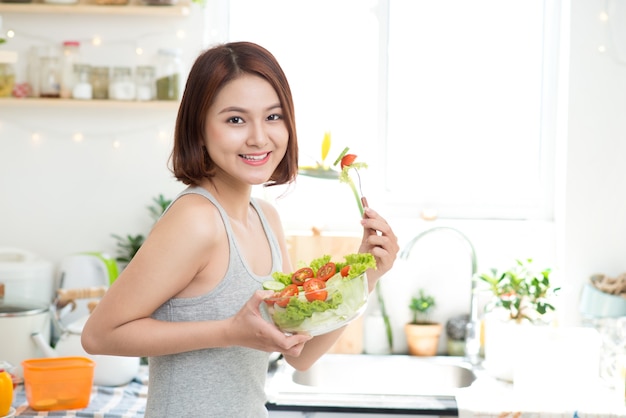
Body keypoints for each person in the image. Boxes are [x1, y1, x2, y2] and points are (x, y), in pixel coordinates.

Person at [81, 41, 399, 418]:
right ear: (199, 129)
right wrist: (231, 331)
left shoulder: (266, 219)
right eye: (235, 119)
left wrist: (365, 276)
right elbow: (99, 335)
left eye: (273, 117)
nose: (259, 138)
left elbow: (300, 353)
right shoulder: (197, 219)